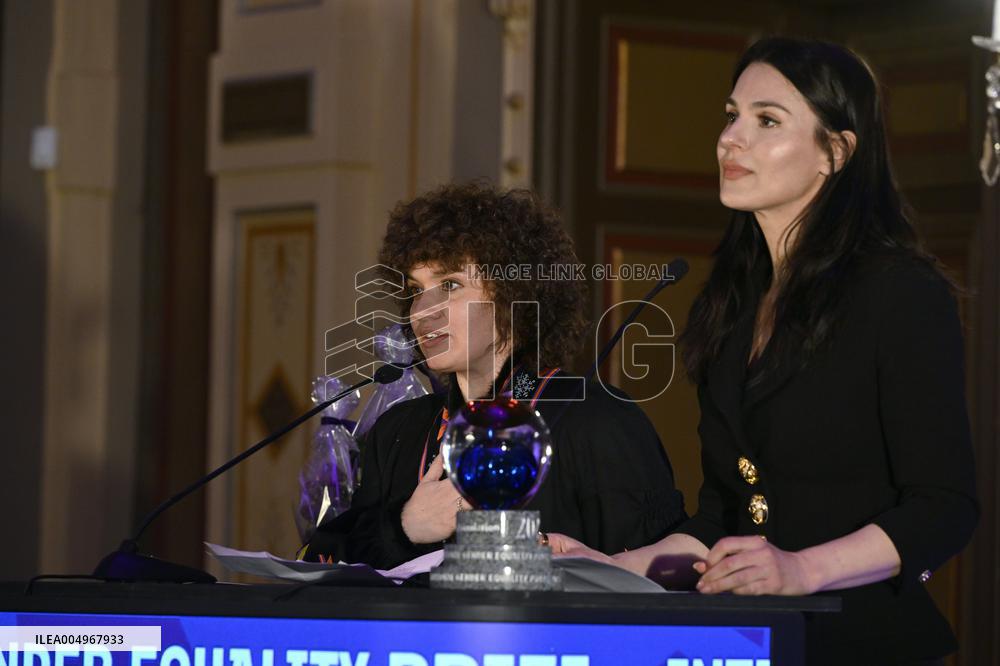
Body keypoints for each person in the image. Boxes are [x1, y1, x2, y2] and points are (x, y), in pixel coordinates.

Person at [548, 37, 978, 665]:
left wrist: (803, 569)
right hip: (751, 644)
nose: (731, 138)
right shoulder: (731, 303)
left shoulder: (900, 294)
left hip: (868, 644)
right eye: (731, 114)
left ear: (835, 152)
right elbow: (724, 522)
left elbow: (945, 508)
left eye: (766, 120)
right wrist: (612, 567)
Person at [301, 182, 686, 570]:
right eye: (416, 290)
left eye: (449, 285)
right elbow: (325, 563)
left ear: (513, 294)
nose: (421, 312)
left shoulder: (596, 420)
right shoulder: (398, 431)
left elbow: (660, 584)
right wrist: (406, 527)